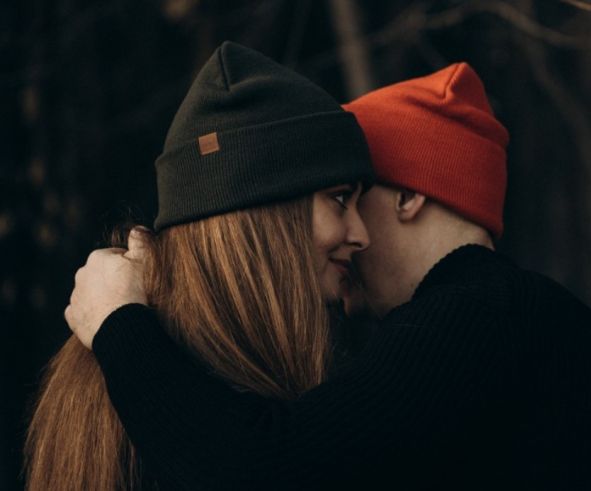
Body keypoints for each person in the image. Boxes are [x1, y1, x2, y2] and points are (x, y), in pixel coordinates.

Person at [66, 63, 591, 489]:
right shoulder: (518, 326)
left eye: (347, 193)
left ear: (410, 197)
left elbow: (263, 472)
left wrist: (122, 326)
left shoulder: (478, 315)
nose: (352, 235)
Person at [25, 41, 374, 491]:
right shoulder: (142, 389)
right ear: (267, 214)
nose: (362, 234)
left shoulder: (138, 363)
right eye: (340, 199)